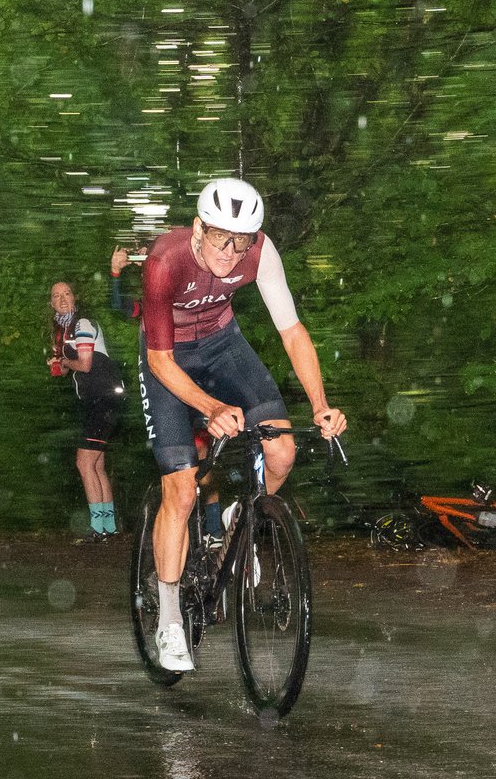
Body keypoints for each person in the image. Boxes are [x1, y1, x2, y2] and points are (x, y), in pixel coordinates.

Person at [138, 178, 347, 671]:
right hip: (167, 357)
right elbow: (162, 362)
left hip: (223, 345)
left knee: (281, 450)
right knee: (182, 490)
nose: (231, 253)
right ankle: (169, 619)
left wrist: (320, 404)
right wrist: (210, 407)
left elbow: (292, 332)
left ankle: (239, 524)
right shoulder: (165, 261)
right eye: (219, 238)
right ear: (198, 228)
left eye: (242, 241)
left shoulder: (261, 253)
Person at [111, 246, 226, 543]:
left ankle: (213, 529)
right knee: (183, 465)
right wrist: (115, 273)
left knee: (206, 455)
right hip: (165, 384)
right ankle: (182, 531)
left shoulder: (189, 289)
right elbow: (120, 305)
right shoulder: (148, 303)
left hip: (198, 378)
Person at [48, 281, 127, 543]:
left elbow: (84, 363)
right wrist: (59, 364)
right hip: (99, 400)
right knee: (97, 465)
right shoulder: (62, 332)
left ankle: (98, 528)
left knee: (83, 462)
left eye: (66, 294)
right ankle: (110, 527)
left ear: (75, 298)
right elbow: (70, 368)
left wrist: (64, 361)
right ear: (51, 304)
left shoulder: (82, 324)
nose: (62, 299)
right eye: (56, 296)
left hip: (103, 398)